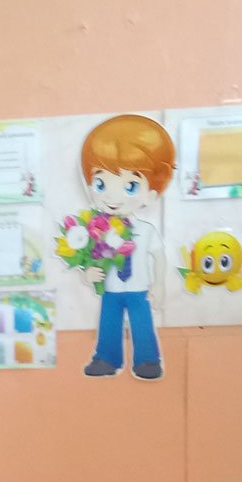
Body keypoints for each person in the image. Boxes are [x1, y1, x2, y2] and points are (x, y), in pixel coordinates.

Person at [76, 115, 174, 380]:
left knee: (143, 323)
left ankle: (147, 360)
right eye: (101, 183)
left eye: (130, 185)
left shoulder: (146, 230)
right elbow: (88, 256)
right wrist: (88, 273)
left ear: (151, 194)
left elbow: (159, 256)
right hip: (110, 288)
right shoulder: (96, 229)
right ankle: (106, 358)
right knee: (108, 322)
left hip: (139, 287)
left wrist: (160, 284)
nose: (112, 195)